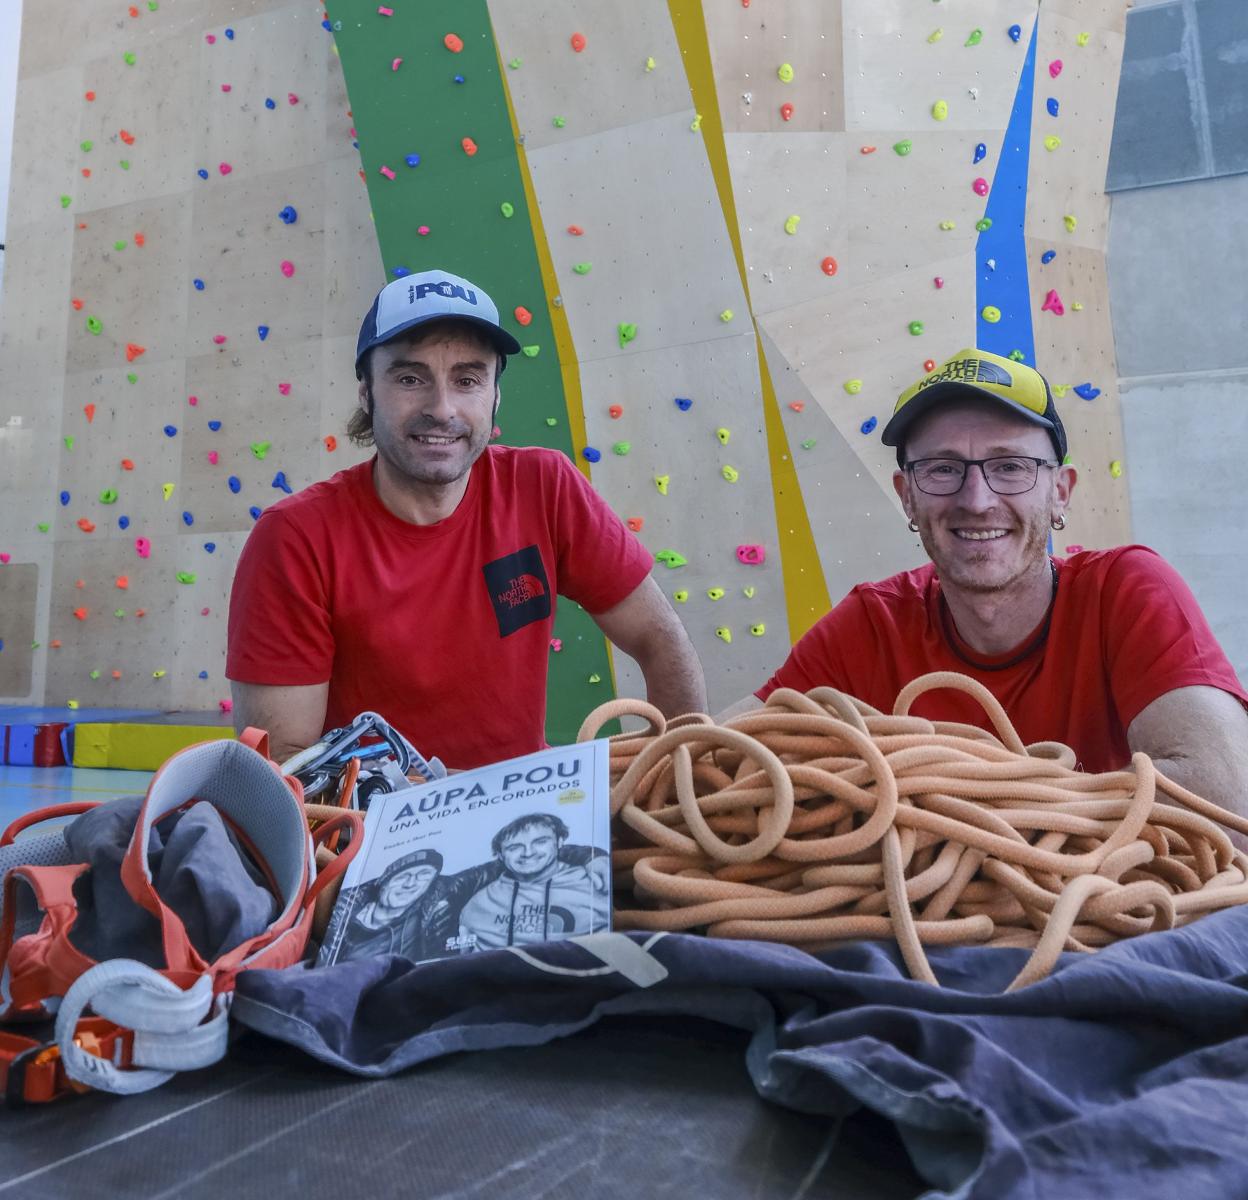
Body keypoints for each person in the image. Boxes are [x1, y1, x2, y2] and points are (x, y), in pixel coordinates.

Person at [719, 347, 1248, 820]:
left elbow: (1226, 799)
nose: (976, 499)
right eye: (942, 469)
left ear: (1060, 492)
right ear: (907, 496)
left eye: (1011, 466)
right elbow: (705, 756)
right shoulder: (873, 624)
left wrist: (956, 817)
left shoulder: (1127, 590)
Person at [226, 269, 706, 767]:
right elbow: (286, 762)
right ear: (366, 392)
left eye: (468, 380)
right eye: (410, 378)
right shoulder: (294, 539)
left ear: (495, 394)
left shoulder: (544, 486)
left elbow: (659, 637)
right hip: (376, 829)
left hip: (528, 817)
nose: (442, 408)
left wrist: (680, 777)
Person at [457, 813, 607, 950]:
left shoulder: (594, 882)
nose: (528, 853)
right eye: (514, 847)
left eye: (540, 842)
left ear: (560, 842)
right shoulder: (479, 902)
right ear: (500, 856)